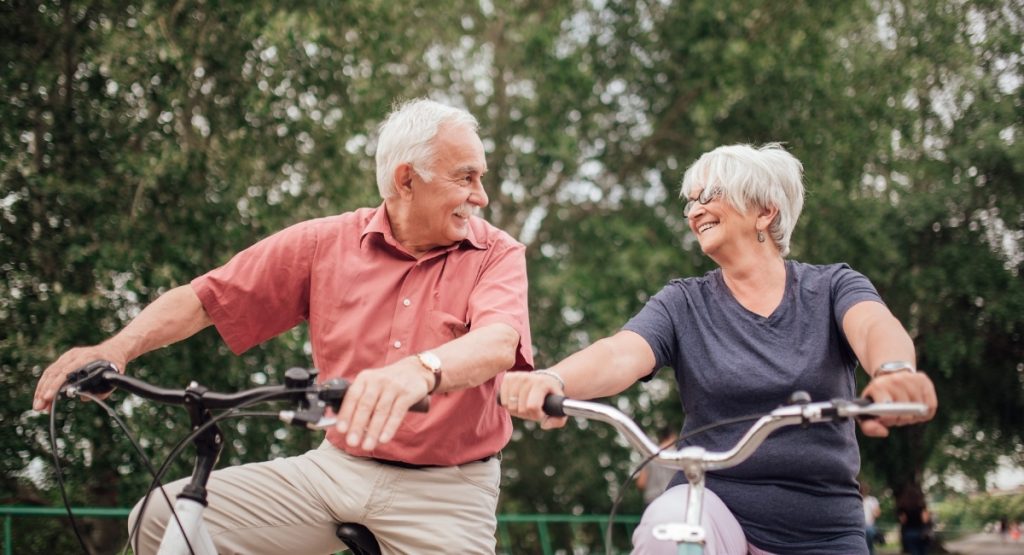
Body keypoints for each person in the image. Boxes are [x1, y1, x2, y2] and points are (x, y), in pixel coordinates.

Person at [32, 98, 534, 554]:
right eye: (465, 178)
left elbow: (497, 343)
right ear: (406, 181)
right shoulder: (324, 243)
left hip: (446, 491)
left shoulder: (497, 253)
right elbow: (206, 300)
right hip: (335, 469)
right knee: (160, 520)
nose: (481, 196)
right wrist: (117, 348)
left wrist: (420, 370)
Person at [500, 143, 938, 554]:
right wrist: (553, 378)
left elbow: (874, 326)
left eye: (709, 195)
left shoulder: (832, 287)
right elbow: (619, 353)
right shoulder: (683, 303)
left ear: (765, 211)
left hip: (824, 527)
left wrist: (894, 371)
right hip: (713, 507)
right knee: (669, 528)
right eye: (690, 201)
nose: (694, 211)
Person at [635, 427, 679, 505]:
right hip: (672, 498)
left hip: (652, 501)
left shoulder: (649, 454)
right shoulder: (678, 455)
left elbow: (641, 483)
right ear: (672, 436)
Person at [896, 485, 931, 555]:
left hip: (909, 532)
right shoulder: (921, 506)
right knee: (923, 552)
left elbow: (903, 520)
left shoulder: (903, 507)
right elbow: (925, 519)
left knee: (914, 552)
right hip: (921, 532)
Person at [861, 482, 882, 554]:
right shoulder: (857, 499)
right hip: (860, 526)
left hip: (869, 526)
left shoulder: (872, 500)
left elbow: (878, 513)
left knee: (869, 545)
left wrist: (874, 512)